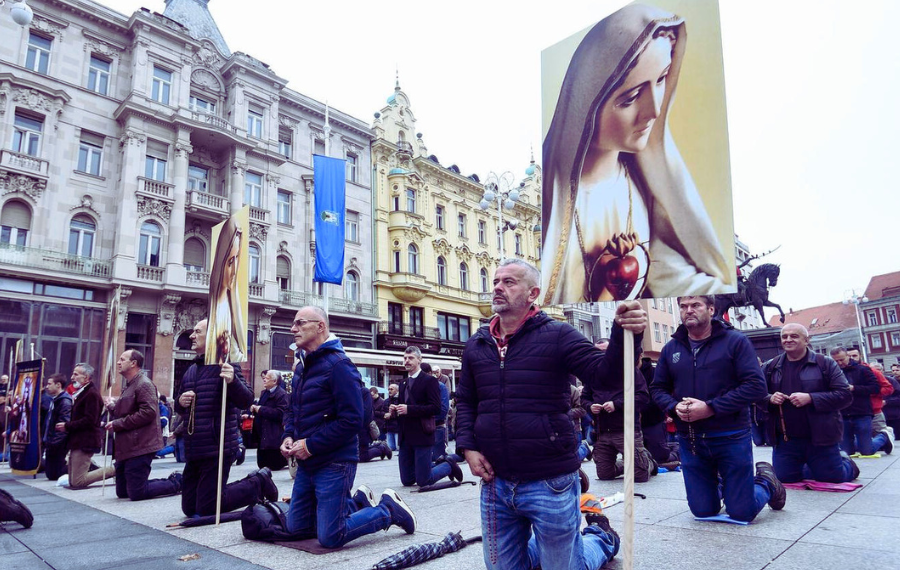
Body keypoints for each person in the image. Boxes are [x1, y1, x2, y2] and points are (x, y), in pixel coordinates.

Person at [540, 4, 731, 303]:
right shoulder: (553, 196)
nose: (654, 110)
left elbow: (669, 275)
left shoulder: (642, 184)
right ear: (585, 105)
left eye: (661, 79)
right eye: (630, 97)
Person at [456, 259, 639, 570]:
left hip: (549, 479)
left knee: (567, 566)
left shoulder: (558, 334)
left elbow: (605, 376)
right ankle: (552, 545)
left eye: (510, 282)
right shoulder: (477, 343)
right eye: (497, 281)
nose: (498, 286)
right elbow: (466, 401)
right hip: (495, 481)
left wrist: (624, 333)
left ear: (533, 293)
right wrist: (468, 447)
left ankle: (600, 539)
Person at [280, 306, 416, 547]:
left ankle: (388, 510)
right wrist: (289, 435)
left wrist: (310, 444)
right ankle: (358, 502)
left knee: (331, 537)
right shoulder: (302, 368)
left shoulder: (339, 365)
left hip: (335, 462)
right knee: (296, 527)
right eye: (294, 324)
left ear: (320, 326)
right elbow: (293, 410)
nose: (293, 329)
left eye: (300, 323)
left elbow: (354, 419)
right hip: (307, 463)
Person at [650, 295, 785, 522]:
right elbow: (657, 389)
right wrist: (674, 407)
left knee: (742, 512)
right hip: (691, 438)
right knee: (702, 511)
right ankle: (727, 489)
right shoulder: (671, 348)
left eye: (695, 305)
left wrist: (711, 408)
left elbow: (756, 386)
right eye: (683, 306)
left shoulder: (735, 341)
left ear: (711, 309)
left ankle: (766, 482)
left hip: (730, 435)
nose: (688, 310)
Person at [175, 319, 276, 518]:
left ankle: (258, 482)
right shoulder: (191, 370)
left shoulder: (226, 366)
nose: (192, 336)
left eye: (197, 332)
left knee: (207, 508)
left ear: (212, 337)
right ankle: (253, 484)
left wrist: (232, 381)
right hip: (195, 447)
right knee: (189, 508)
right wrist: (180, 401)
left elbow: (245, 399)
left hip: (217, 446)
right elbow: (179, 407)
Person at [763, 324, 857, 483]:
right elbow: (755, 395)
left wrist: (811, 398)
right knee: (786, 479)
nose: (788, 340)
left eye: (794, 336)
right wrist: (769, 399)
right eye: (784, 336)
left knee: (832, 478)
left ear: (806, 340)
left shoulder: (825, 363)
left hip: (821, 437)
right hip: (786, 440)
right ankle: (813, 466)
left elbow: (845, 395)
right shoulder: (771, 366)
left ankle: (847, 463)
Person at [105, 350, 181, 501]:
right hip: (127, 446)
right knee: (122, 492)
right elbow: (129, 409)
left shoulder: (144, 384)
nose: (118, 362)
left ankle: (177, 482)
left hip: (140, 445)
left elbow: (148, 413)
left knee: (137, 493)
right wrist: (112, 407)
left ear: (133, 363)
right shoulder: (130, 385)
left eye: (122, 359)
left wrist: (118, 423)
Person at [395, 347, 462, 487]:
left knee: (424, 481)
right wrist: (395, 410)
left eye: (411, 358)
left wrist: (409, 409)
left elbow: (435, 408)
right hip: (405, 436)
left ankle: (448, 465)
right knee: (407, 481)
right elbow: (403, 408)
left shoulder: (429, 381)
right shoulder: (403, 384)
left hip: (422, 434)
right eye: (405, 358)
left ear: (420, 360)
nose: (407, 361)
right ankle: (428, 467)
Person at [57, 363, 115, 488]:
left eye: (76, 374)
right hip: (77, 440)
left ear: (86, 377)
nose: (72, 377)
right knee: (73, 482)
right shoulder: (82, 393)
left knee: (78, 482)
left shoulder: (92, 394)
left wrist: (67, 426)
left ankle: (114, 470)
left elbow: (90, 420)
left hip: (85, 441)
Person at [830, 347, 886, 456]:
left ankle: (884, 436)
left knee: (866, 451)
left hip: (862, 412)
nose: (839, 363)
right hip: (843, 413)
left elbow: (875, 388)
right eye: (836, 361)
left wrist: (854, 388)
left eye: (841, 359)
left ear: (848, 356)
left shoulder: (863, 369)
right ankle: (860, 443)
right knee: (846, 452)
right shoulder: (832, 372)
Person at [207, 216, 248, 365]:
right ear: (220, 261)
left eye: (237, 259)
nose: (235, 270)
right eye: (230, 261)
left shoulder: (234, 310)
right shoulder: (217, 309)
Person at [251, 370, 290, 471]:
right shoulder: (264, 393)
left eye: (267, 378)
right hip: (262, 436)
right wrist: (254, 409)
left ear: (274, 381)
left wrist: (261, 409)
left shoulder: (281, 394)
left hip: (273, 437)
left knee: (273, 466)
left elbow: (281, 414)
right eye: (264, 378)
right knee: (262, 466)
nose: (264, 379)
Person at [42, 373, 72, 481]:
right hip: (51, 442)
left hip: (57, 444)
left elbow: (63, 425)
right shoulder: (55, 400)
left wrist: (53, 443)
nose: (47, 386)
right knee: (51, 474)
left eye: (50, 384)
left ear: (58, 385)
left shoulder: (64, 402)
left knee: (55, 474)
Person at [383, 384, 400, 452]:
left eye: (391, 389)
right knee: (390, 448)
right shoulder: (386, 401)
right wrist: (385, 415)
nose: (389, 391)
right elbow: (382, 411)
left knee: (398, 448)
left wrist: (391, 414)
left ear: (397, 390)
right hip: (389, 427)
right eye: (389, 389)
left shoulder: (400, 400)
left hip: (397, 427)